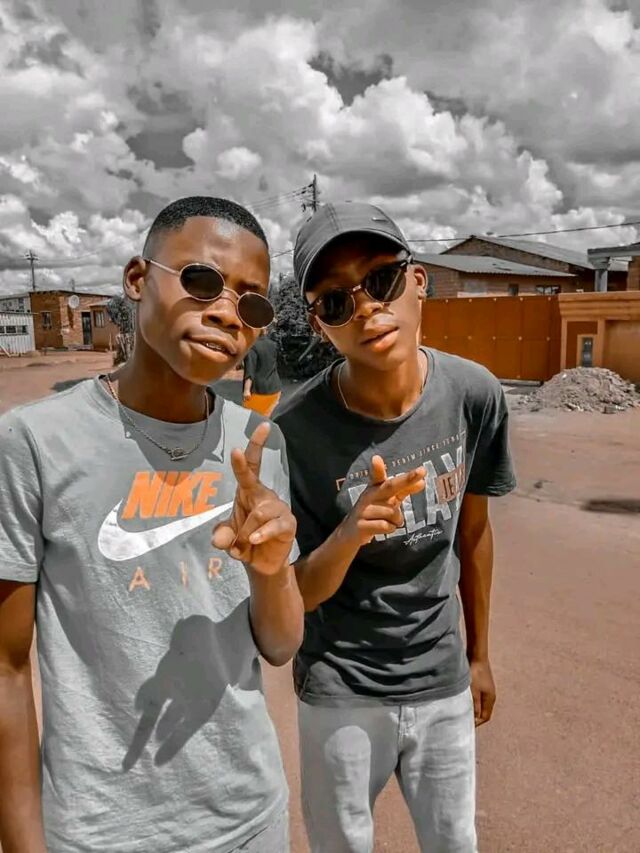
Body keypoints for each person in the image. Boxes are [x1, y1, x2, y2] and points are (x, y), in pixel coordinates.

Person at [0, 196, 304, 853]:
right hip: (102, 831)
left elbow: (280, 645)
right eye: (202, 280)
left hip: (249, 818)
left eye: (252, 303)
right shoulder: (34, 442)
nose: (226, 311)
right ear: (138, 280)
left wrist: (271, 570)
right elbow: (6, 666)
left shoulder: (258, 446)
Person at [274, 201, 516, 853]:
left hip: (441, 676)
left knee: (454, 840)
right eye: (335, 302)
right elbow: (297, 594)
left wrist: (479, 656)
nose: (365, 309)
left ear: (418, 281)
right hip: (340, 687)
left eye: (380, 280)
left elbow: (474, 535)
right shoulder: (294, 431)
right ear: (320, 325)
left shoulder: (473, 394)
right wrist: (351, 531)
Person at [243, 329, 282, 416]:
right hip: (275, 388)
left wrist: (246, 390)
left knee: (252, 418)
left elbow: (250, 370)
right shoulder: (273, 344)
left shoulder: (252, 347)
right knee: (266, 417)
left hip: (259, 391)